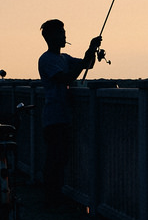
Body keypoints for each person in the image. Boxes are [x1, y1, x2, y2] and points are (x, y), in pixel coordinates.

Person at [38, 20, 101, 210]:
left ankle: (55, 196)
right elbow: (65, 77)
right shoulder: (47, 59)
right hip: (53, 117)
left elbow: (86, 65)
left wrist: (91, 49)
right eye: (61, 33)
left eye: (64, 32)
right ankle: (51, 198)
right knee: (54, 159)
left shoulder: (64, 58)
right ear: (50, 37)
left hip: (64, 117)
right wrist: (83, 63)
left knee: (61, 158)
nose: (65, 36)